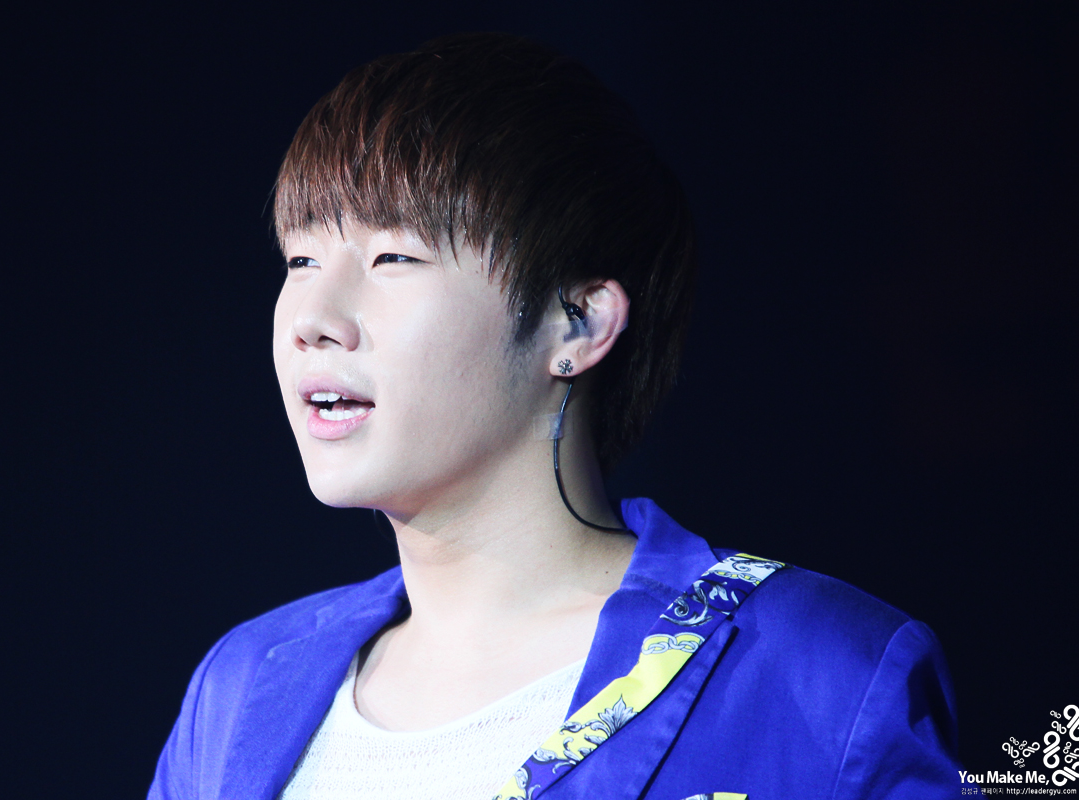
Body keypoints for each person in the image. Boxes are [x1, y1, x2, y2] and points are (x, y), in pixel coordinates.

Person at [148, 33, 963, 800]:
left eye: (394, 256)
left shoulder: (818, 676)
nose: (312, 318)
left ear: (576, 322)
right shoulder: (243, 686)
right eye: (300, 259)